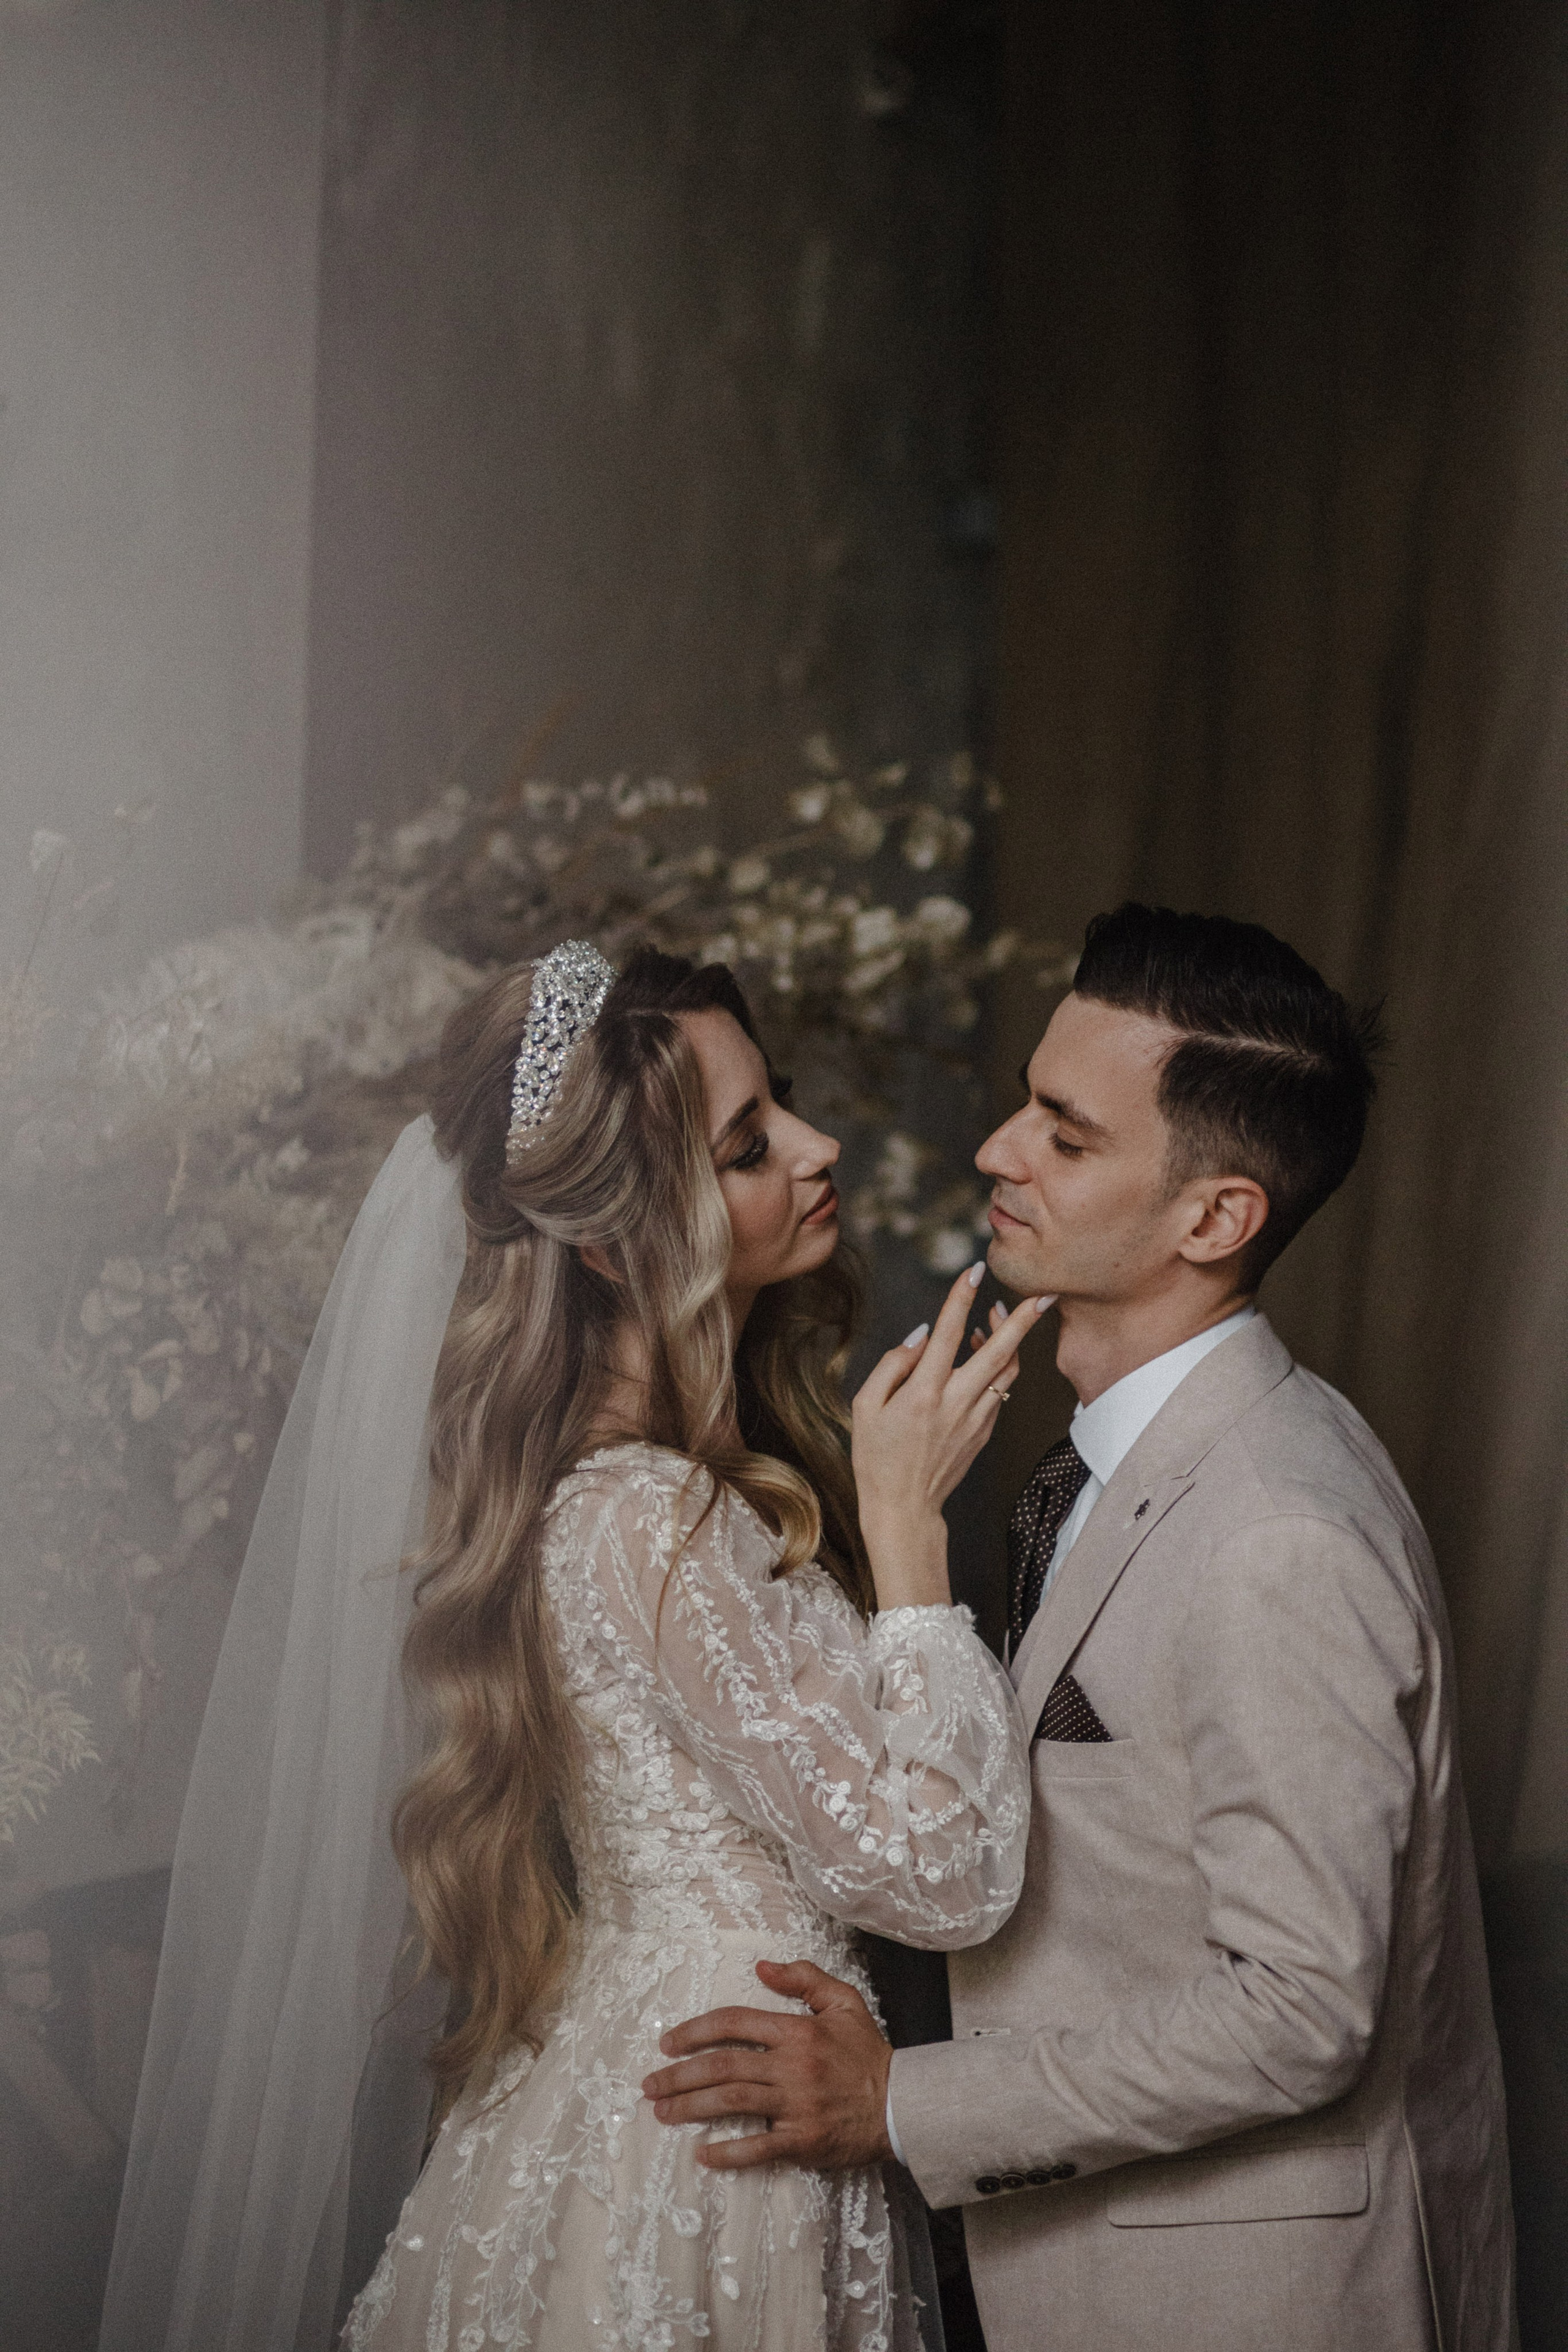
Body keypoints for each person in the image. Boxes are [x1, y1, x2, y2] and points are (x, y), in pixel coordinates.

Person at [102, 939, 1044, 2352]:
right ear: (612, 1242)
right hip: (711, 2129)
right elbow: (943, 1878)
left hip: (717, 2077)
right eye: (745, 1146)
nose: (816, 1143)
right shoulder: (638, 1519)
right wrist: (908, 1539)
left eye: (776, 1101)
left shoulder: (663, 1493)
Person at [643, 905, 1518, 2352]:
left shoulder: (1277, 1529)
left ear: (1214, 1218)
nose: (996, 1149)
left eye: (1064, 1133)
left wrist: (899, 2104)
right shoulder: (1094, 1472)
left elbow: (1301, 2007)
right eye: (1023, 1105)